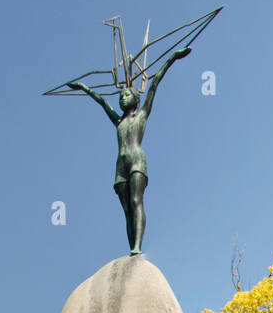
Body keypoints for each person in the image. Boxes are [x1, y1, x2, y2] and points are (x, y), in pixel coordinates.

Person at [69, 45, 191, 255]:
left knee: (136, 201)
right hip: (120, 166)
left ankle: (137, 247)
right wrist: (84, 88)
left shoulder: (142, 115)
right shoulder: (119, 121)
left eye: (127, 95)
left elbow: (155, 83)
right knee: (126, 211)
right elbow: (102, 102)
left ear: (136, 98)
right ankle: (131, 248)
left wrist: (173, 57)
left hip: (136, 161)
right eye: (121, 96)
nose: (122, 97)